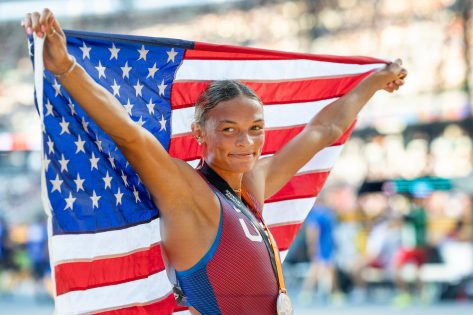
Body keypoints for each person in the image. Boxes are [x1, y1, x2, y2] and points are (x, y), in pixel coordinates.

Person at [22, 8, 407, 315]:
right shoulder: (188, 193)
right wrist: (66, 68)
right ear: (199, 133)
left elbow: (324, 129)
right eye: (229, 129)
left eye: (256, 127)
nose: (246, 141)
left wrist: (374, 81)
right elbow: (128, 133)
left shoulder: (251, 187)